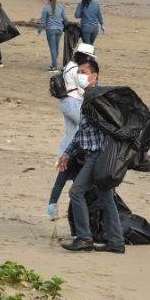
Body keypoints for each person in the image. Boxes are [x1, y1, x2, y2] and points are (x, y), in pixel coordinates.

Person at [58, 59, 125, 253]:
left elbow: (103, 128)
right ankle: (116, 242)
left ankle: (84, 238)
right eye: (78, 71)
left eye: (83, 71)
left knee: (76, 192)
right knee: (106, 196)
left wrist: (69, 153)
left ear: (94, 76)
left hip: (98, 155)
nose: (79, 75)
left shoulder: (97, 98)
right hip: (96, 155)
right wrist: (68, 153)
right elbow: (84, 132)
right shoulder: (90, 97)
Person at [47, 43, 96, 219]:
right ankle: (71, 157)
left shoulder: (69, 65)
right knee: (84, 126)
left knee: (70, 132)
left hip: (65, 102)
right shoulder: (77, 69)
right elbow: (85, 85)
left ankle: (63, 156)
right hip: (73, 102)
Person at [38, 0, 67, 71]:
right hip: (60, 29)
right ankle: (54, 64)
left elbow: (43, 21)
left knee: (53, 49)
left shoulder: (46, 8)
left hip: (50, 30)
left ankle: (54, 66)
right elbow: (65, 18)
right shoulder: (60, 6)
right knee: (56, 48)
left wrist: (39, 30)